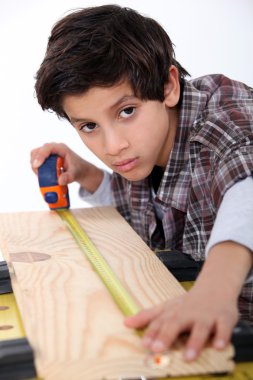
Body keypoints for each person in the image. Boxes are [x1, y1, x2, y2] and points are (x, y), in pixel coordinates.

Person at [31, 4, 253, 362]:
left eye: (126, 111)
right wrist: (90, 176)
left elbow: (245, 187)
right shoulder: (145, 150)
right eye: (89, 126)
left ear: (168, 86)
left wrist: (214, 291)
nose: (113, 146)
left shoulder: (225, 120)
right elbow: (151, 206)